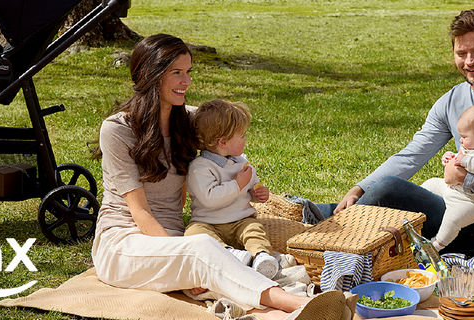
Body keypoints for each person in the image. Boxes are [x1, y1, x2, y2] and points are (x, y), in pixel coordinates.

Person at [91, 33, 349, 320]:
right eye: (177, 73)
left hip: (178, 244)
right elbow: (139, 212)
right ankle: (295, 305)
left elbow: (232, 137)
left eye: (188, 72)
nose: (187, 82)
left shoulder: (189, 122)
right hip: (124, 246)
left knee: (225, 276)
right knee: (206, 250)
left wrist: (249, 188)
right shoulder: (117, 130)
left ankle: (296, 311)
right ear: (150, 75)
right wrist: (183, 256)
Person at [326, 9, 474, 256]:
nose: (469, 61)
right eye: (461, 53)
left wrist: (466, 178)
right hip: (455, 203)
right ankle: (315, 221)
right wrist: (360, 188)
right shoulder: (452, 100)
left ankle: (325, 241)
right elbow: (412, 155)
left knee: (389, 191)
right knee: (377, 199)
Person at [185, 99, 280, 279]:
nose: (246, 139)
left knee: (254, 230)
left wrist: (257, 193)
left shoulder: (241, 162)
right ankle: (229, 254)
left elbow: (250, 187)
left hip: (240, 220)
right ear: (222, 142)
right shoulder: (201, 167)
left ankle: (261, 257)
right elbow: (210, 198)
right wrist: (238, 184)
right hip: (209, 222)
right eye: (242, 135)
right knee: (194, 233)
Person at [422, 104, 474, 250]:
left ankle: (437, 244)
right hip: (451, 188)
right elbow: (459, 160)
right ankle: (413, 215)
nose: (460, 140)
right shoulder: (470, 146)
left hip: (471, 201)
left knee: (453, 219)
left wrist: (467, 161)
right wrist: (450, 158)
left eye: (464, 137)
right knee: (430, 183)